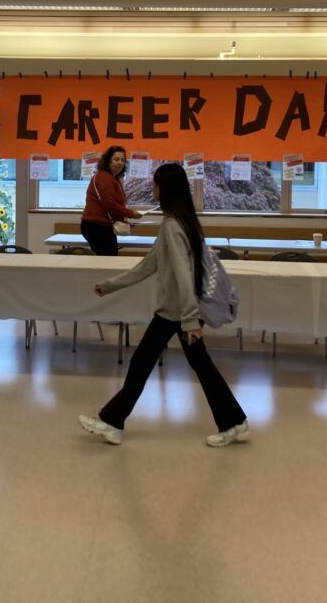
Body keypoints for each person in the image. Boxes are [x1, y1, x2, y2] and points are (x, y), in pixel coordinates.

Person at [78, 162, 249, 448]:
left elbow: (183, 274)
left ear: (164, 189)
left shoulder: (172, 227)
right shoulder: (182, 222)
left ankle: (113, 422)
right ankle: (113, 422)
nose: (152, 188)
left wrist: (191, 320)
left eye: (156, 183)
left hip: (177, 313)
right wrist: (109, 286)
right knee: (155, 364)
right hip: (175, 312)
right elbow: (147, 267)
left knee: (158, 365)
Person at [80, 145, 142, 256]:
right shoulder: (104, 177)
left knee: (107, 260)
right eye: (116, 159)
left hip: (100, 226)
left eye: (123, 160)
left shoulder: (113, 178)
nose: (120, 163)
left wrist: (123, 219)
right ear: (108, 160)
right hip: (97, 227)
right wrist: (131, 213)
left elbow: (111, 206)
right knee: (108, 261)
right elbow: (110, 205)